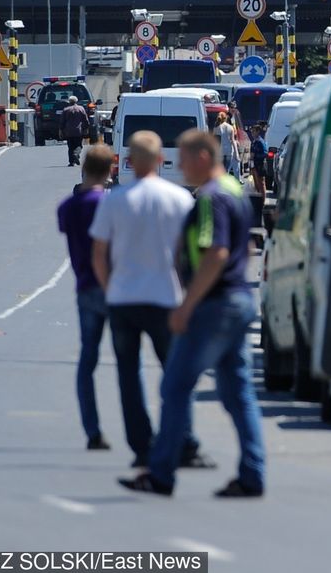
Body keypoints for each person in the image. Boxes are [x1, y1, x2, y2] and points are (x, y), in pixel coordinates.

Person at [120, 129, 265, 499]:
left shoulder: (210, 200)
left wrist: (187, 304)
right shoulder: (235, 190)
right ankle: (253, 473)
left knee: (175, 385)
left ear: (203, 157)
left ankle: (161, 473)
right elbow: (244, 247)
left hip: (213, 305)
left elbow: (214, 252)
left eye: (183, 159)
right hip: (238, 299)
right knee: (238, 392)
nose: (179, 167)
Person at [90, 131, 210, 470]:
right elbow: (189, 255)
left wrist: (109, 287)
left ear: (128, 161)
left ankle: (142, 447)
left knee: (129, 375)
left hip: (124, 298)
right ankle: (183, 442)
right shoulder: (180, 199)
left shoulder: (114, 200)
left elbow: (98, 253)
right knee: (175, 374)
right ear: (160, 160)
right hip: (166, 297)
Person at [57, 144, 115, 451]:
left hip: (85, 287)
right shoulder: (109, 205)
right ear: (109, 171)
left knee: (87, 359)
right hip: (115, 288)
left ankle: (92, 430)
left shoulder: (68, 207)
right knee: (127, 360)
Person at [61, 95, 91, 167]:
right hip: (78, 131)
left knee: (70, 146)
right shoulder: (81, 109)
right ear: (76, 101)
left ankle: (71, 162)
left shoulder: (66, 110)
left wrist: (61, 130)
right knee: (79, 145)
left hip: (68, 131)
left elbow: (62, 121)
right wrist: (86, 128)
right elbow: (85, 120)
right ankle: (76, 154)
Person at [215, 112, 238, 179]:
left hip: (220, 152)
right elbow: (233, 141)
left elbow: (215, 141)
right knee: (226, 171)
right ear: (226, 118)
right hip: (229, 151)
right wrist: (236, 154)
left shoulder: (216, 128)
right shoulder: (230, 128)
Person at [249, 125, 267, 196]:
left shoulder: (260, 142)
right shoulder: (254, 142)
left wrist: (255, 156)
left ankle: (262, 201)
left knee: (261, 184)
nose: (252, 133)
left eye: (253, 131)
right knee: (256, 184)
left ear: (258, 131)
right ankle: (258, 199)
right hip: (254, 165)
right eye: (251, 131)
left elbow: (265, 153)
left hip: (259, 165)